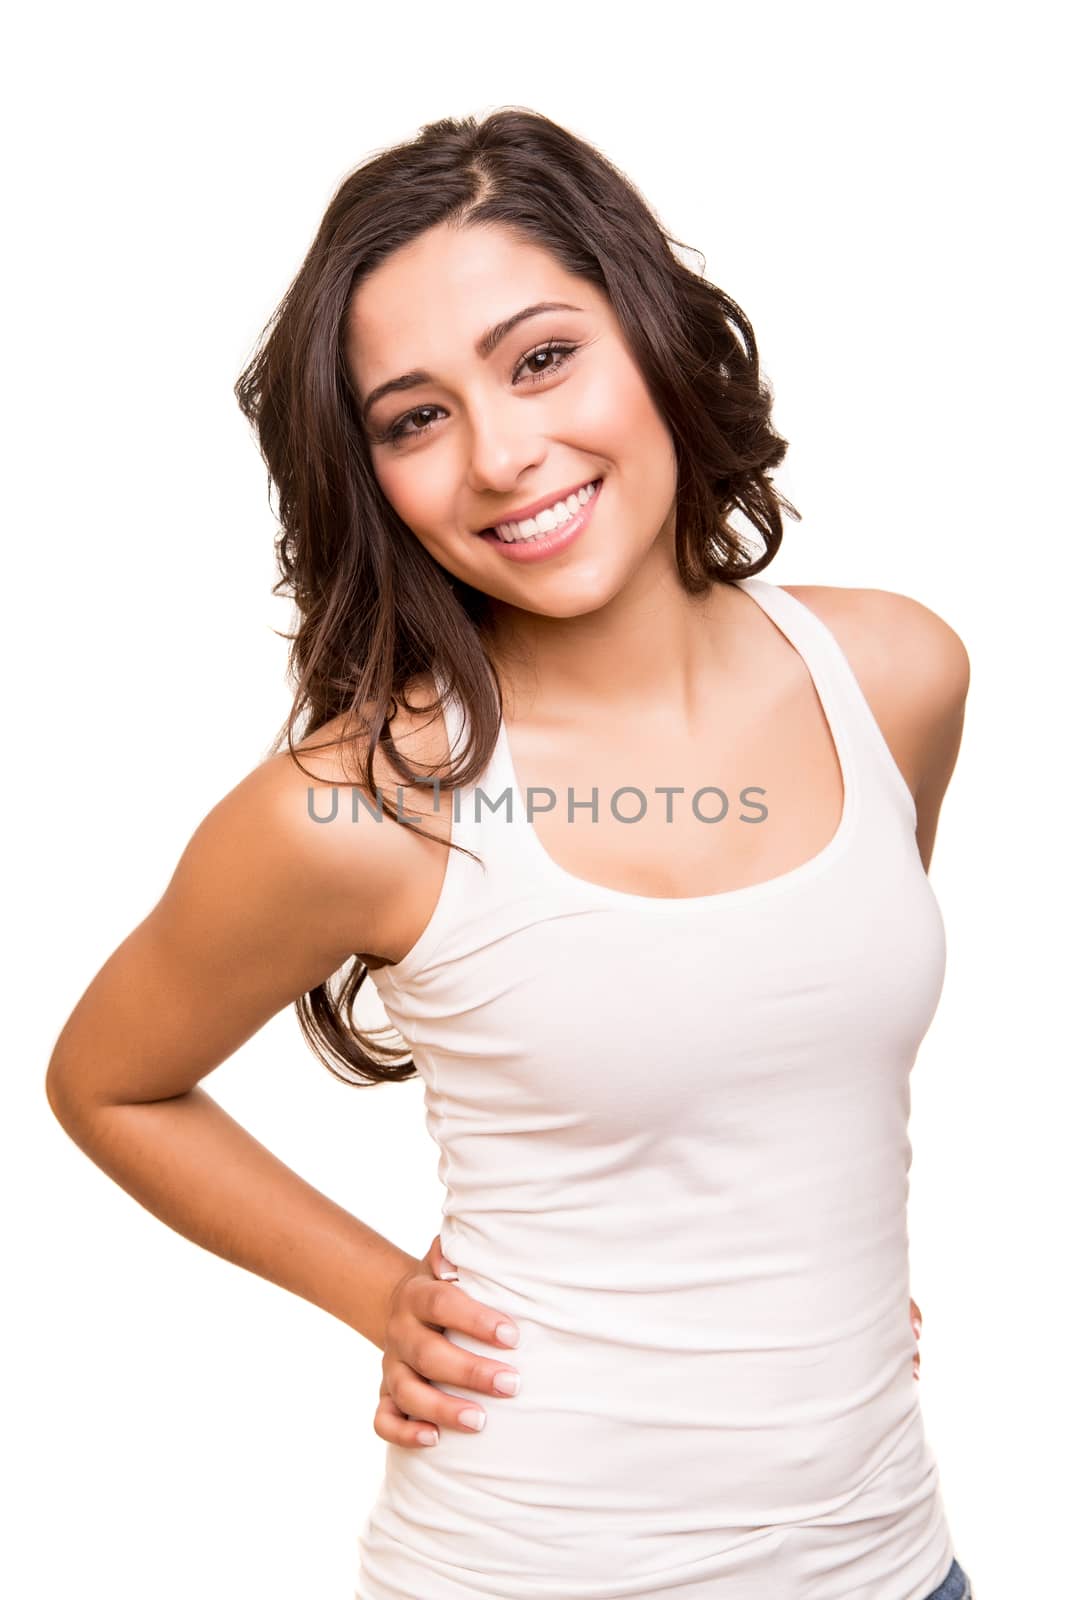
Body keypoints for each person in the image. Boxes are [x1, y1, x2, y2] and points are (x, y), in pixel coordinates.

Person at [44, 108, 975, 1600]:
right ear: (375, 475)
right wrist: (383, 1295)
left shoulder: (898, 675)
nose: (501, 453)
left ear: (653, 332)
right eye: (415, 418)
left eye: (542, 358)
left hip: (895, 1563)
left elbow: (799, 1042)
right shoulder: (354, 809)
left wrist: (818, 1287)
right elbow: (105, 1080)